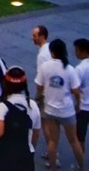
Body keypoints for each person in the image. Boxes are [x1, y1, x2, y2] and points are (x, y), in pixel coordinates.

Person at [35, 38, 83, 170]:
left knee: (52, 141)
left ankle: (53, 167)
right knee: (73, 140)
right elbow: (76, 91)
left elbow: (39, 85)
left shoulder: (45, 66)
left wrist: (47, 91)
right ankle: (82, 167)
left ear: (52, 52)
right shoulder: (69, 69)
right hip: (67, 110)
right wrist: (78, 105)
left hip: (50, 110)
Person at [0, 65, 42, 171]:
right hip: (26, 156)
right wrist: (30, 147)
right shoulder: (33, 105)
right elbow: (36, 133)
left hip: (6, 156)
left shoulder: (3, 106)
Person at [74, 40, 89, 152]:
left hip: (84, 107)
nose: (75, 52)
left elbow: (76, 90)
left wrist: (77, 105)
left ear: (83, 51)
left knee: (80, 138)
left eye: (76, 50)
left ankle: (80, 166)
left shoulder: (80, 69)